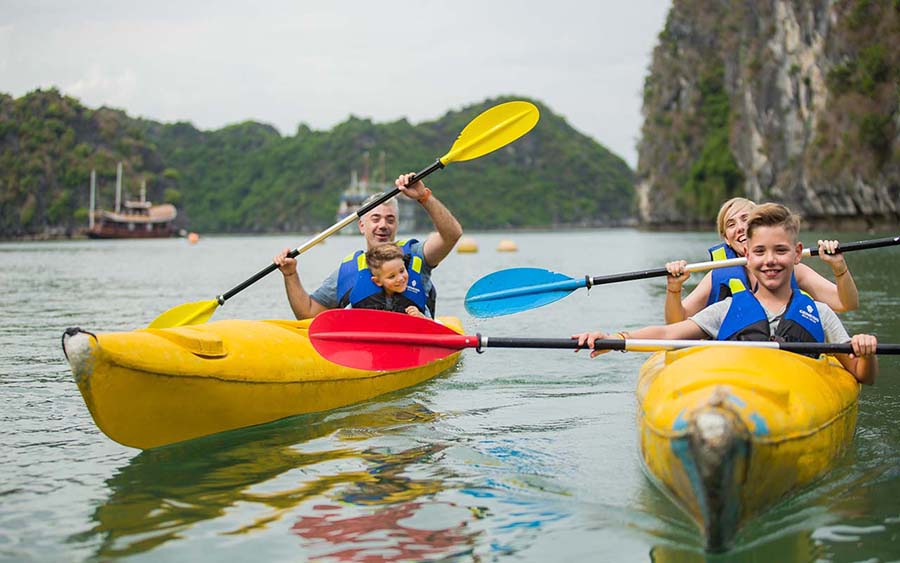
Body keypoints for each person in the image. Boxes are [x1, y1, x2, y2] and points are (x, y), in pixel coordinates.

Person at [574, 203, 878, 384]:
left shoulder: (819, 313)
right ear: (746, 253)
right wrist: (616, 339)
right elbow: (670, 330)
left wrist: (866, 350)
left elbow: (862, 373)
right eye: (760, 252)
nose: (770, 260)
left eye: (780, 251)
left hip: (799, 389)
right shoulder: (727, 308)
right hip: (738, 384)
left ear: (797, 254)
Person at [274, 173, 462, 319]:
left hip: (415, 347)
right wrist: (290, 274)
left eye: (390, 219)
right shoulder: (347, 271)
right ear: (362, 225)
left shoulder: (416, 255)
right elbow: (307, 313)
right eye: (375, 218)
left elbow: (452, 235)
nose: (383, 225)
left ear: (396, 225)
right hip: (365, 355)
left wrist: (424, 196)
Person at [663, 197, 859, 324]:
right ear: (726, 239)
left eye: (745, 219)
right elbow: (676, 323)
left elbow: (845, 303)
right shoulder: (717, 275)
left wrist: (839, 267)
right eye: (731, 224)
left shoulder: (790, 269)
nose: (739, 228)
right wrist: (674, 288)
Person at [357, 243, 427, 317]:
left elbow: (433, 323)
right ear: (377, 281)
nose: (400, 278)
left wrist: (421, 316)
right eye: (392, 276)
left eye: (402, 271)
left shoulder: (414, 302)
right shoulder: (364, 299)